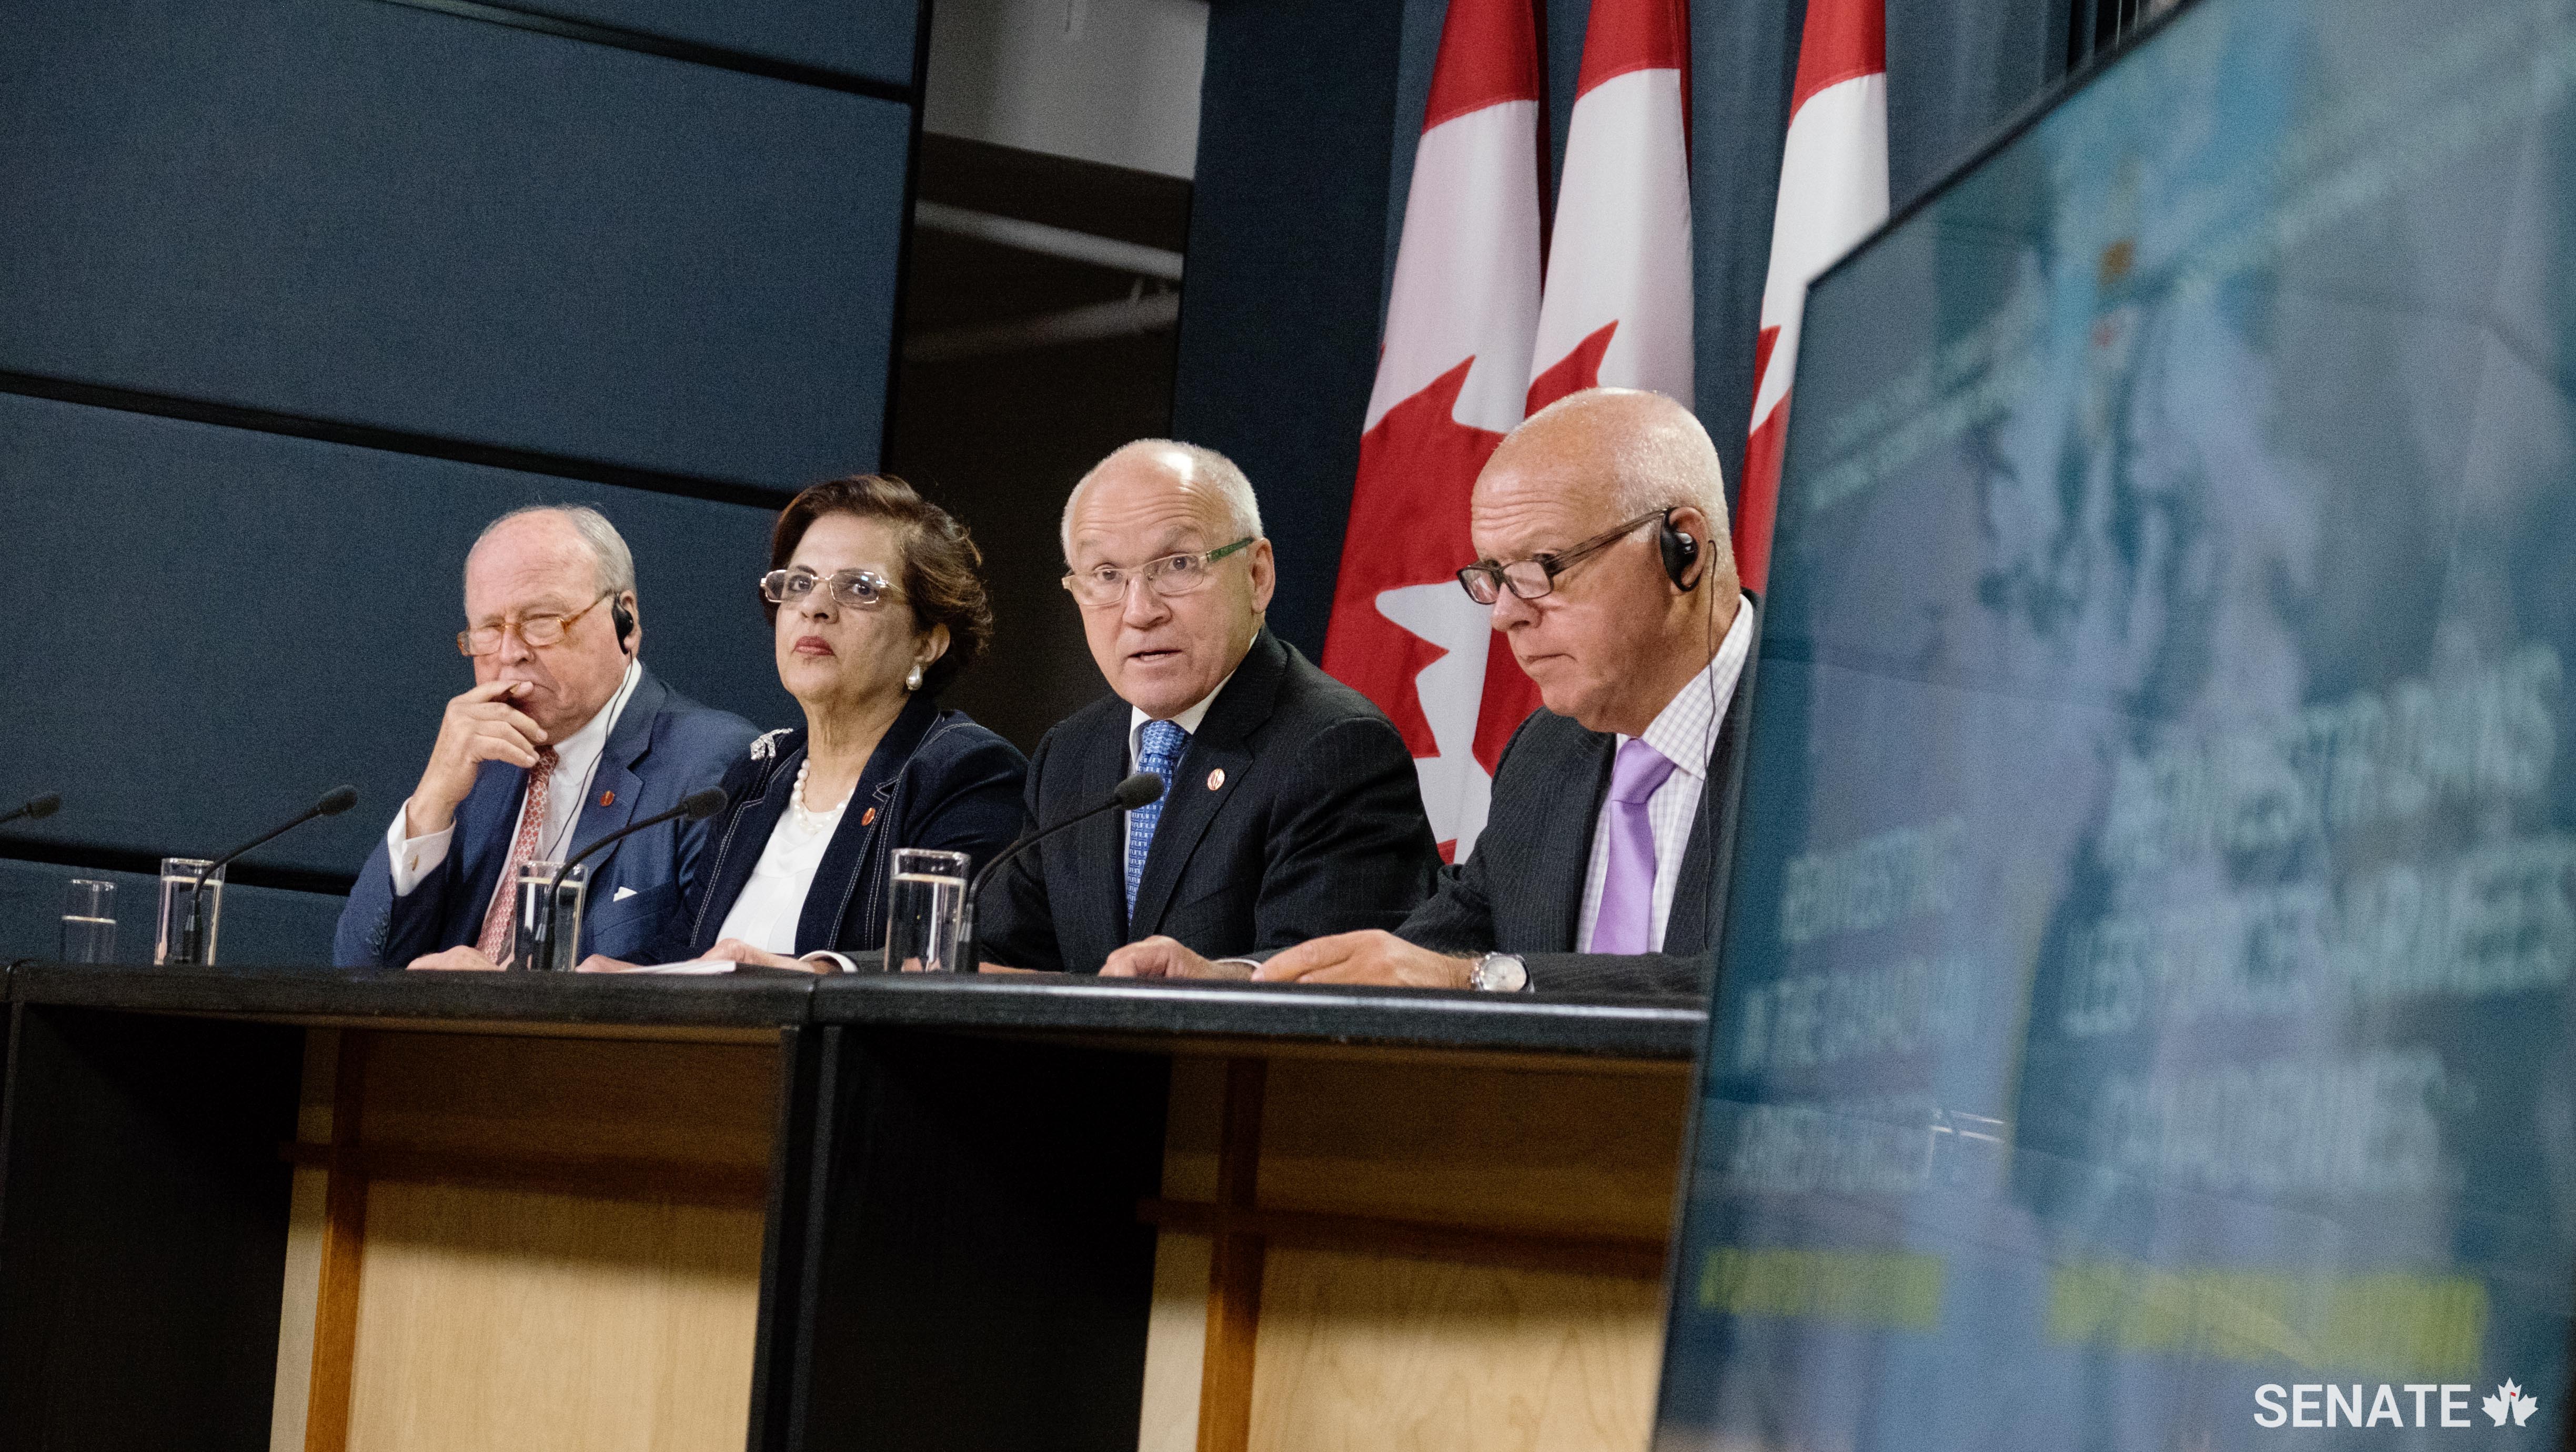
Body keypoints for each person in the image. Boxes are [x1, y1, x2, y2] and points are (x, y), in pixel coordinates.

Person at [1103, 388, 1757, 995]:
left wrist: (1493, 981)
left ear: (1685, 551)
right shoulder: (1547, 753)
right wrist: (1245, 985)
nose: (1505, 614)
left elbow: (1775, 982)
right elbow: (1429, 948)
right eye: (1493, 577)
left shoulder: (1833, 734)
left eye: (1540, 569)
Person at [974, 439, 1440, 972]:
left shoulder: (1338, 748)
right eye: (1106, 575)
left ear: (1256, 576)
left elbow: (1335, 989)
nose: (1140, 611)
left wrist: (1218, 983)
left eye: (1177, 564)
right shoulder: (1072, 753)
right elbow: (998, 953)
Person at [581, 476, 1026, 972]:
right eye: (799, 583)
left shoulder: (965, 773)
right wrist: (612, 979)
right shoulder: (759, 774)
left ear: (927, 642)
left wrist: (816, 976)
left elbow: (956, 963)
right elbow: (688, 954)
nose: (815, 607)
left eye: (860, 588)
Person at [335, 505, 758, 969]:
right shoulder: (477, 765)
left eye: (541, 621)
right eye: (490, 630)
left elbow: (717, 985)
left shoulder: (714, 766)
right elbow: (359, 969)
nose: (510, 654)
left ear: (626, 622)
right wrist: (431, 803)